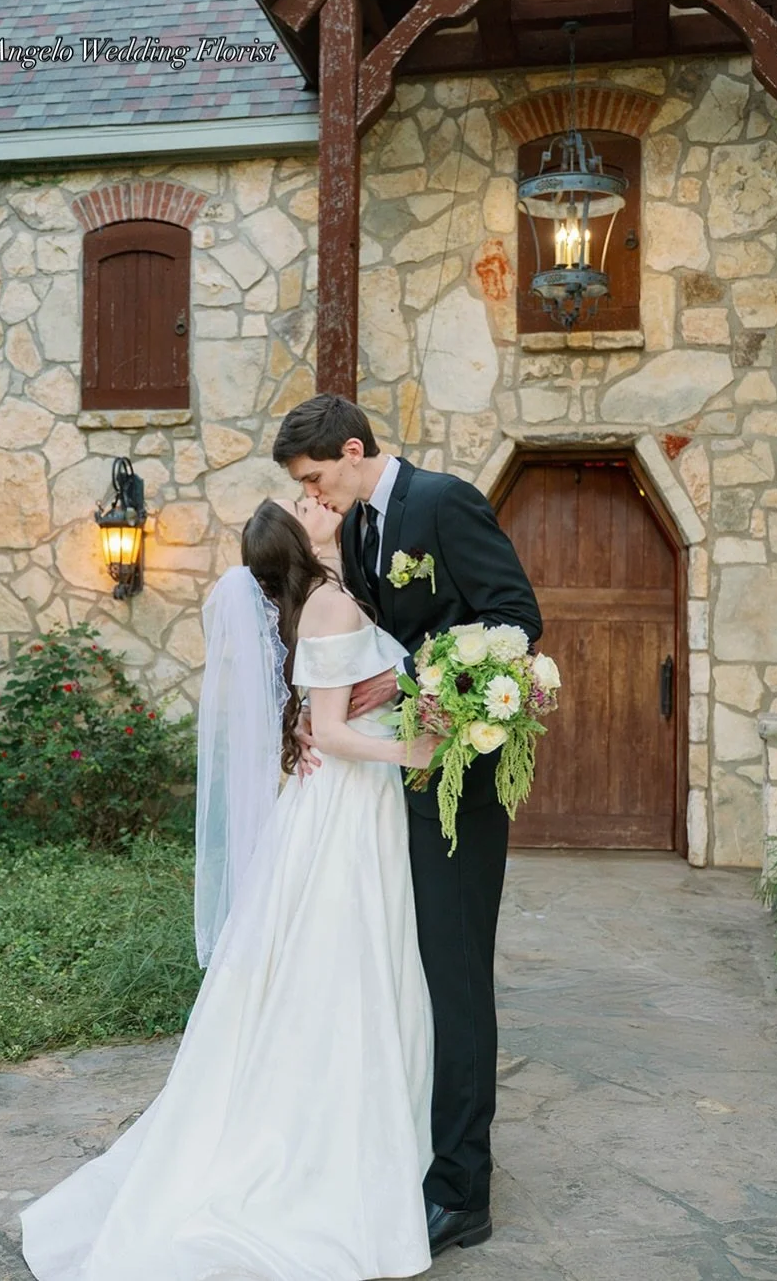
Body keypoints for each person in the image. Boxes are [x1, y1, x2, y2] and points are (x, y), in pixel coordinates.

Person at [19, 496, 442, 1281]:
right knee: (343, 969)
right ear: (298, 540)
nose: (322, 502)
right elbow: (338, 733)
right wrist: (418, 748)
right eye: (308, 502)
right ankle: (332, 1152)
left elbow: (326, 719)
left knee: (343, 966)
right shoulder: (331, 608)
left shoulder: (325, 601)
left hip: (340, 809)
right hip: (348, 813)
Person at [272, 395, 543, 1258]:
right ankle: (414, 1148)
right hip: (393, 785)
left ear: (353, 451)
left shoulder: (441, 501)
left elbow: (514, 619)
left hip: (459, 777)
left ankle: (463, 1190)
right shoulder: (356, 531)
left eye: (317, 476)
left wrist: (411, 678)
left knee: (455, 972)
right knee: (409, 969)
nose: (316, 494)